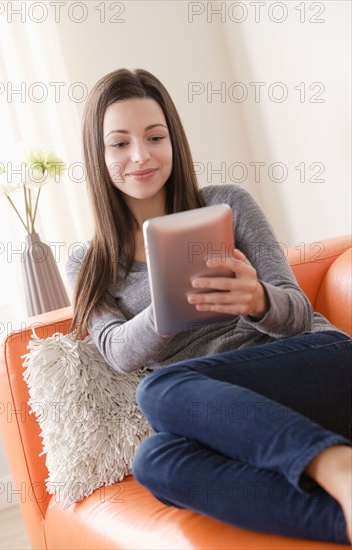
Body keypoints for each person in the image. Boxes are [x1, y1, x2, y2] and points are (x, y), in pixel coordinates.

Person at [65, 68, 352, 545]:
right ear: (98, 155)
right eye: (119, 143)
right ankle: (340, 520)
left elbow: (298, 312)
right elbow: (117, 352)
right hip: (230, 416)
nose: (141, 156)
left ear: (173, 140)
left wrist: (259, 301)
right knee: (154, 459)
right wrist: (170, 296)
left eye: (155, 137)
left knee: (160, 389)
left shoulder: (227, 204)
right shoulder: (89, 262)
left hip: (322, 367)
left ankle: (338, 467)